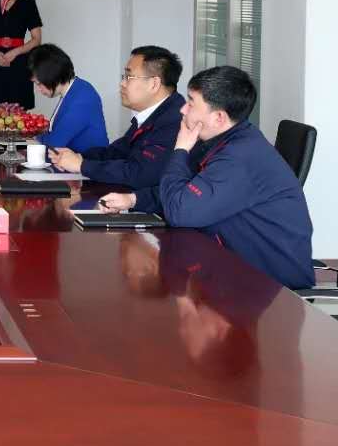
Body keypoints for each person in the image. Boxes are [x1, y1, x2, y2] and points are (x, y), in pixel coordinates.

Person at [99, 66, 315, 290]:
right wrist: (133, 199)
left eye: (191, 103)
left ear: (219, 117)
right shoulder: (221, 141)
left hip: (271, 287)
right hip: (230, 267)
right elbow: (182, 190)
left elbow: (180, 212)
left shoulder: (240, 157)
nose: (183, 109)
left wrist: (180, 150)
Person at [50, 46, 185, 190]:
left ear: (154, 84)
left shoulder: (175, 121)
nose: (122, 84)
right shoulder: (153, 115)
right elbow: (116, 153)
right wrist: (79, 157)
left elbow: (140, 174)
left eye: (129, 77)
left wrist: (82, 165)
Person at [27, 43, 108, 153]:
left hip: (88, 161)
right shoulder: (76, 88)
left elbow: (54, 145)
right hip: (75, 158)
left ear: (50, 75)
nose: (39, 89)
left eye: (38, 83)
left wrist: (32, 138)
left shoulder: (82, 99)